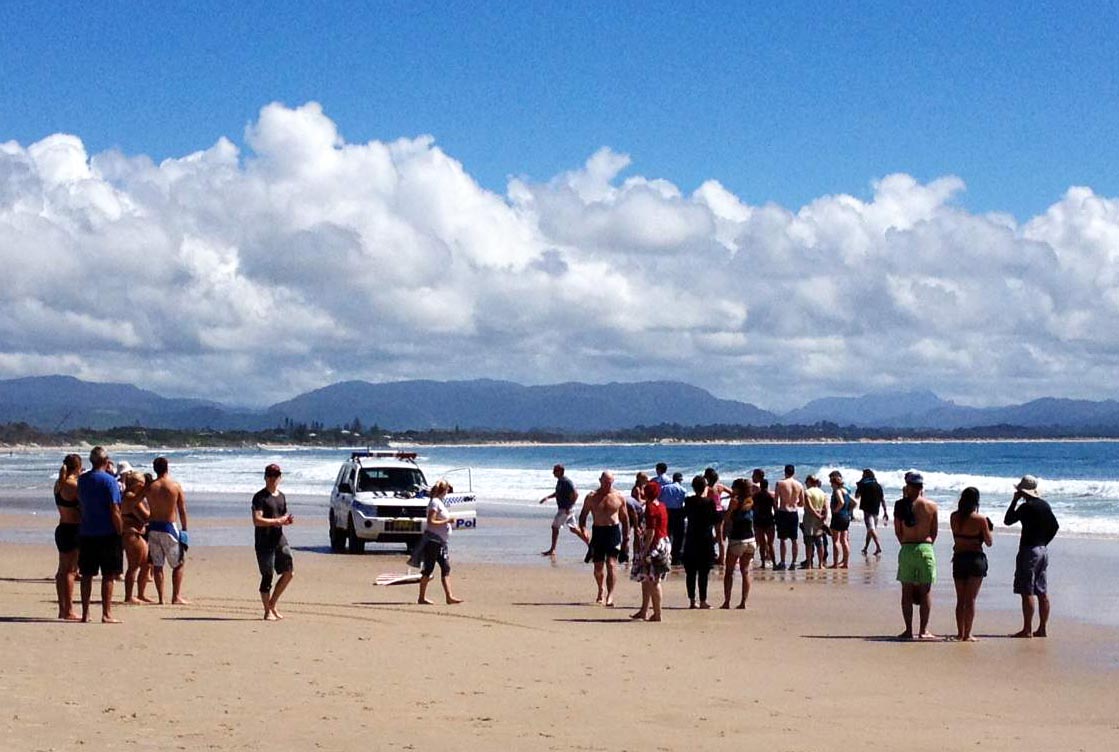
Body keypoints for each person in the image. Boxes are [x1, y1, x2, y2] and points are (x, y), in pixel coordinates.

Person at [1004, 475, 1059, 638]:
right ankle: (1042, 628)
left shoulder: (1026, 507)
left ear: (1023, 492)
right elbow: (1055, 526)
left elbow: (1007, 520)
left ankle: (1027, 629)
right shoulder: (1045, 505)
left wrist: (1014, 501)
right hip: (1042, 549)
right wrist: (1044, 541)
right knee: (1042, 590)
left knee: (1027, 590)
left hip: (1029, 550)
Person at [76, 446, 123, 623]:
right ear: (105, 461)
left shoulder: (83, 480)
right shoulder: (109, 481)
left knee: (87, 574)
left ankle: (86, 613)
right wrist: (119, 530)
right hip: (107, 532)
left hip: (87, 530)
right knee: (108, 574)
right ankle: (106, 613)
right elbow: (115, 509)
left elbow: (80, 503)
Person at [894, 471, 939, 640]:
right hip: (925, 547)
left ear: (907, 486)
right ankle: (923, 630)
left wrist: (906, 544)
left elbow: (898, 531)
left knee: (906, 591)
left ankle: (908, 630)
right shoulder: (931, 506)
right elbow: (934, 532)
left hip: (907, 547)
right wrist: (925, 545)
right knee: (925, 591)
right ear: (921, 487)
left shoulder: (900, 505)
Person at [577, 471, 631, 607]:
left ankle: (610, 595)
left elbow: (625, 519)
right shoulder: (591, 497)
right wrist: (583, 529)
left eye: (610, 482)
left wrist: (626, 537)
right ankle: (601, 588)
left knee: (611, 564)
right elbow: (583, 515)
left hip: (613, 532)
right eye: (605, 482)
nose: (608, 485)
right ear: (600, 481)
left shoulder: (618, 496)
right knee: (598, 567)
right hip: (598, 532)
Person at [252, 463, 295, 620]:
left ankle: (272, 603)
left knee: (289, 571)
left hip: (279, 538)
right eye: (270, 475)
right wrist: (277, 521)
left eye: (276, 476)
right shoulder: (260, 497)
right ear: (265, 477)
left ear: (280, 478)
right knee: (267, 575)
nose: (273, 479)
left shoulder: (281, 496)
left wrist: (285, 521)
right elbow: (257, 520)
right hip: (264, 541)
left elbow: (282, 516)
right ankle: (267, 610)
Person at [950, 487, 993, 642]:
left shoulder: (954, 516)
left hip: (959, 558)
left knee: (960, 599)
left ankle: (959, 633)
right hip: (975, 559)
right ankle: (967, 634)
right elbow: (989, 542)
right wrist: (988, 529)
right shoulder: (980, 520)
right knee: (971, 599)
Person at [146, 456, 190, 605]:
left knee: (158, 564)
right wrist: (184, 528)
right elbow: (182, 509)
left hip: (153, 527)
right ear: (167, 468)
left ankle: (160, 598)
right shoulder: (174, 486)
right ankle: (176, 596)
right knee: (178, 563)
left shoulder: (150, 487)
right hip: (168, 527)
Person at [417, 480, 463, 605]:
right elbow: (431, 521)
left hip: (441, 541)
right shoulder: (434, 503)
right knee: (429, 569)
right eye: (447, 489)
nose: (448, 492)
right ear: (443, 490)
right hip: (433, 541)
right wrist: (447, 521)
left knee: (445, 567)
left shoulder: (439, 502)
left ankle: (449, 596)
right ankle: (421, 597)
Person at [630, 481, 670, 622]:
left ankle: (657, 614)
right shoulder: (662, 506)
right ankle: (644, 610)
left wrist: (645, 551)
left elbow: (651, 531)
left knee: (654, 580)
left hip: (654, 545)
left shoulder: (650, 508)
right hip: (663, 542)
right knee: (646, 578)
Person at [53, 453, 83, 620]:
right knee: (70, 571)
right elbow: (84, 505)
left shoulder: (59, 484)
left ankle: (62, 608)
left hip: (62, 527)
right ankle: (69, 609)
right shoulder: (73, 485)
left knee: (62, 571)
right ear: (78, 467)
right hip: (73, 529)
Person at [681, 475, 717, 609]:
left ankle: (692, 600)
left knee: (690, 572)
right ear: (705, 487)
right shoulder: (709, 502)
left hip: (691, 538)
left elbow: (685, 514)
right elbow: (714, 519)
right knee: (703, 572)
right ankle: (703, 600)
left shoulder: (689, 501)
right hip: (705, 538)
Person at [722, 478, 757, 609]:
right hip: (751, 540)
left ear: (738, 489)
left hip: (737, 539)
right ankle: (743, 602)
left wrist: (730, 509)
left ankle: (727, 602)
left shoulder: (735, 502)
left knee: (729, 572)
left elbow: (727, 518)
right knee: (745, 571)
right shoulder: (751, 501)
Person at [538, 464, 586, 556]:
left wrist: (569, 506)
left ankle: (553, 550)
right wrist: (548, 497)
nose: (553, 472)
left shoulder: (566, 481)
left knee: (555, 527)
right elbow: (558, 493)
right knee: (574, 529)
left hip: (565, 509)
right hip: (566, 509)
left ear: (560, 471)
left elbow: (575, 494)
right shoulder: (560, 481)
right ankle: (591, 545)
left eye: (555, 471)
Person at [120, 470, 152, 604]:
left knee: (146, 564)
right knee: (134, 565)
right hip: (132, 533)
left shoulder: (131, 496)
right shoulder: (130, 496)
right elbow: (146, 516)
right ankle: (129, 596)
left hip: (136, 532)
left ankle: (141, 594)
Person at [774, 465, 804, 570]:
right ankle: (793, 562)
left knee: (782, 539)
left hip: (783, 511)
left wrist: (776, 512)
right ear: (794, 472)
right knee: (794, 539)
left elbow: (775, 500)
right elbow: (802, 503)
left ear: (785, 472)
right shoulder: (799, 485)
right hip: (793, 512)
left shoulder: (780, 483)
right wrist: (794, 503)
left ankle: (782, 562)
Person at [827, 471, 856, 569]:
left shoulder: (838, 491)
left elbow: (841, 502)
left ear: (834, 483)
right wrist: (848, 511)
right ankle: (846, 563)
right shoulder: (845, 491)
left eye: (831, 483)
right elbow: (854, 502)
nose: (831, 485)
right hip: (845, 517)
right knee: (844, 540)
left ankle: (835, 563)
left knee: (836, 540)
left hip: (838, 517)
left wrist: (836, 510)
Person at [855, 469, 887, 556]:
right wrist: (885, 511)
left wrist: (858, 486)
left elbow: (857, 496)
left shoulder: (863, 484)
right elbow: (882, 500)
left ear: (865, 475)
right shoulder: (878, 485)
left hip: (867, 510)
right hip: (876, 510)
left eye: (863, 475)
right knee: (870, 530)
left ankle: (878, 546)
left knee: (871, 529)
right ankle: (865, 548)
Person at [703, 468, 731, 565]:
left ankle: (708, 556)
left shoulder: (707, 488)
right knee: (720, 538)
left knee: (707, 535)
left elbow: (703, 498)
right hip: (719, 512)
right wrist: (723, 498)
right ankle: (722, 559)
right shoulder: (720, 486)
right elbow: (733, 493)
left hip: (709, 512)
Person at [660, 471, 688, 566]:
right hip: (678, 512)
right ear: (680, 480)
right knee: (678, 535)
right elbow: (685, 503)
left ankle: (666, 553)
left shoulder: (664, 488)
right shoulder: (683, 490)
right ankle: (676, 556)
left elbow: (660, 499)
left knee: (667, 533)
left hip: (667, 511)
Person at [802, 476, 829, 569]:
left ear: (810, 482)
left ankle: (809, 564)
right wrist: (824, 516)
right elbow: (826, 506)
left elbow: (809, 506)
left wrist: (816, 515)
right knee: (819, 540)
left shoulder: (807, 492)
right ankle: (821, 564)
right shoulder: (822, 492)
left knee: (809, 542)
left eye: (806, 482)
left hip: (810, 517)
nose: (805, 484)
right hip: (820, 516)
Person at [752, 474, 777, 569]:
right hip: (769, 520)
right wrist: (775, 518)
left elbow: (753, 508)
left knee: (762, 544)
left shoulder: (756, 496)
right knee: (770, 544)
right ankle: (774, 563)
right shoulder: (770, 496)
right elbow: (775, 508)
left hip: (758, 520)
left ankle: (763, 563)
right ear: (767, 486)